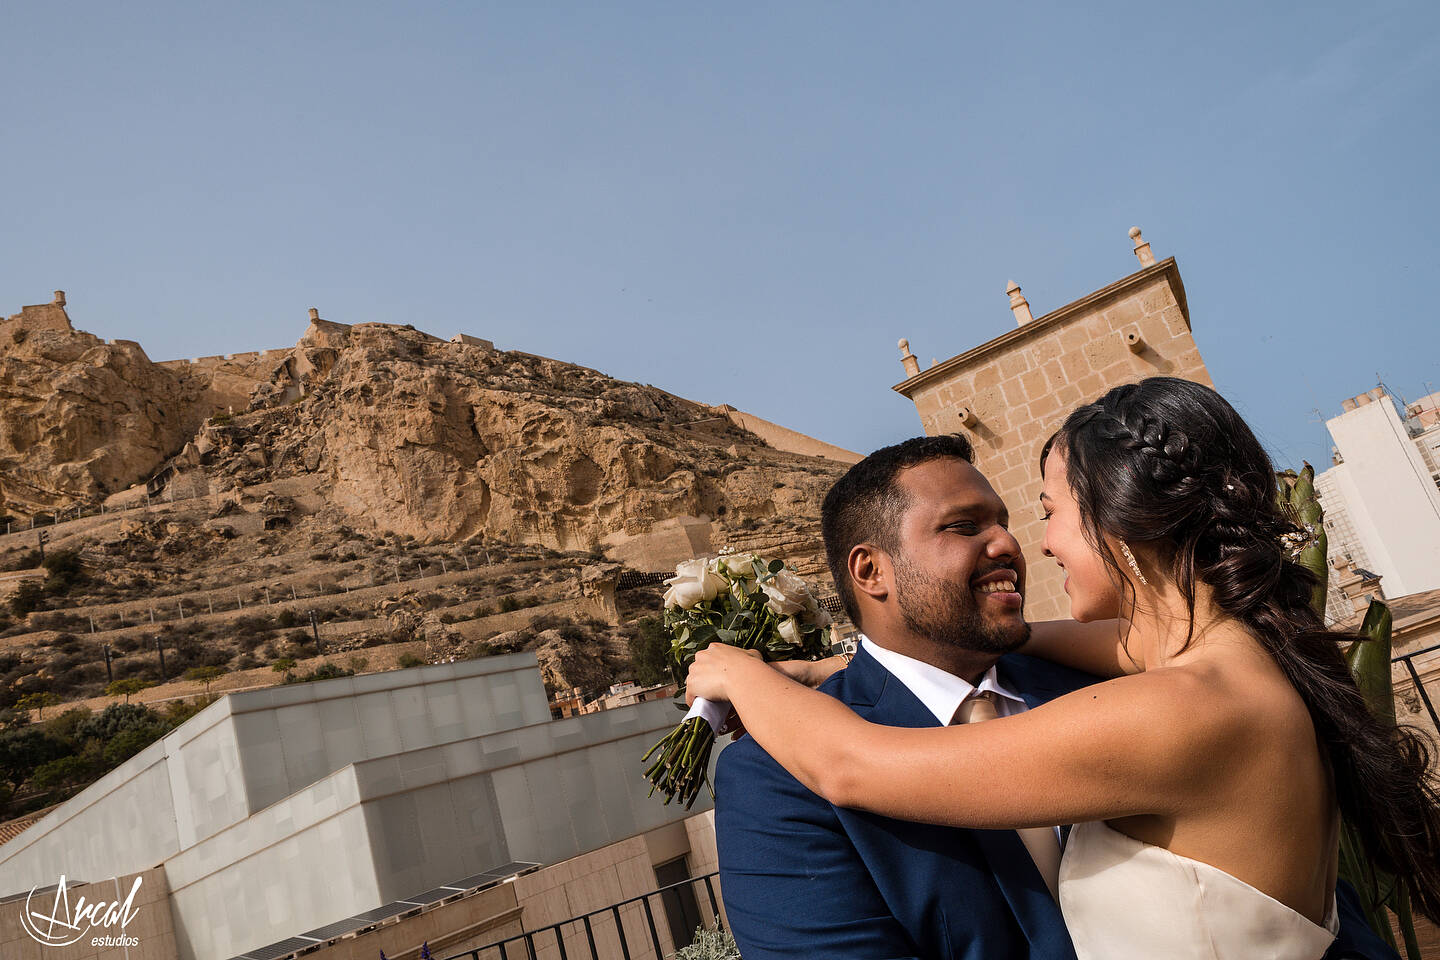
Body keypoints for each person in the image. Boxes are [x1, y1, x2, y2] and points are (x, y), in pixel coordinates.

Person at [697, 379, 1434, 959]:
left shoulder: (1165, 708)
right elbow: (1119, 639)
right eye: (965, 527)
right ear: (870, 570)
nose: (1028, 545)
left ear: (1119, 519)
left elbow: (851, 766)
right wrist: (842, 668)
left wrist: (738, 671)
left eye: (1041, 513)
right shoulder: (1229, 651)